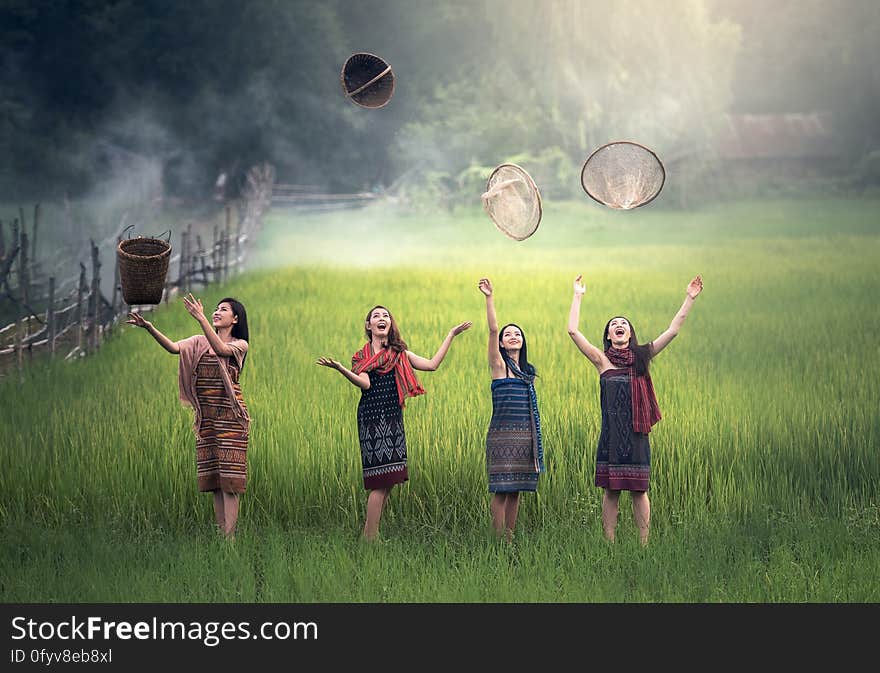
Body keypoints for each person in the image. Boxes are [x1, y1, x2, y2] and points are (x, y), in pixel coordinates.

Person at [567, 274, 703, 545]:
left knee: (639, 491)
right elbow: (573, 331)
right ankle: (609, 544)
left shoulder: (643, 356)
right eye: (614, 325)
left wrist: (689, 298)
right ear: (608, 335)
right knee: (611, 492)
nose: (619, 326)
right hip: (611, 436)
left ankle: (643, 544)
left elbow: (672, 330)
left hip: (637, 435)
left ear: (630, 334)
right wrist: (578, 294)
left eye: (624, 324)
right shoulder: (602, 360)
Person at [317, 305, 471, 540]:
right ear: (369, 326)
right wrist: (341, 369)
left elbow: (432, 365)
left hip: (392, 417)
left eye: (385, 315)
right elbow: (364, 383)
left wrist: (450, 335)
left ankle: (372, 534)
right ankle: (369, 537)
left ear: (390, 324)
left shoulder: (400, 353)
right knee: (380, 480)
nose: (381, 318)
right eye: (376, 316)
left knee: (389, 478)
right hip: (372, 418)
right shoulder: (362, 356)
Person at [127, 294, 250, 539]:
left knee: (230, 483)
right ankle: (221, 537)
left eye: (223, 310)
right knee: (215, 481)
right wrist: (150, 328)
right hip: (206, 420)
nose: (217, 312)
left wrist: (200, 317)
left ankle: (230, 540)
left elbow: (221, 349)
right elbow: (174, 348)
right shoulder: (198, 342)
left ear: (235, 319)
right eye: (215, 309)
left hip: (230, 419)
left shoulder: (239, 344)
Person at [478, 278, 545, 541]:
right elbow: (493, 330)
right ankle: (497, 539)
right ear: (503, 345)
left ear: (522, 342)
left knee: (516, 489)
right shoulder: (499, 366)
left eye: (517, 333)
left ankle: (510, 537)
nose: (513, 336)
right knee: (502, 490)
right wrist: (489, 297)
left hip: (524, 437)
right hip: (502, 436)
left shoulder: (527, 374)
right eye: (509, 335)